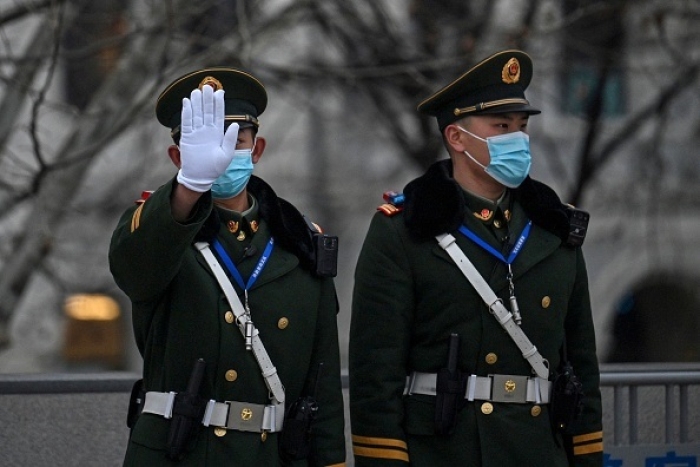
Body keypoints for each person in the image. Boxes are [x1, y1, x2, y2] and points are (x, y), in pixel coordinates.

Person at [348, 50, 603, 466]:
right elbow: (376, 373)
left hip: (538, 449)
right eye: (501, 127)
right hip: (448, 448)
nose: (517, 139)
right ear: (457, 138)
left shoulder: (553, 228)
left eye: (522, 127)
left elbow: (582, 364)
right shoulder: (404, 230)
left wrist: (586, 457)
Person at [109, 67, 346, 466]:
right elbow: (134, 269)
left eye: (236, 142)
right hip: (179, 451)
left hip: (270, 454)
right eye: (203, 147)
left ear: (257, 150)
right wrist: (188, 188)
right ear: (177, 157)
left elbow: (320, 378)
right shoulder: (158, 228)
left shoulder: (297, 238)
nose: (220, 157)